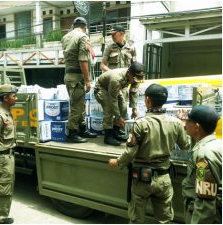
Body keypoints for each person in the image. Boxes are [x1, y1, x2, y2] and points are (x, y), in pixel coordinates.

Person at [108, 84, 191, 223]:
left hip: (142, 179)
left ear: (147, 100)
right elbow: (185, 146)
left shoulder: (140, 123)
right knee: (164, 220)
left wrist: (117, 162)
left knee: (136, 219)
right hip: (164, 178)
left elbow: (130, 153)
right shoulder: (176, 123)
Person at [182, 105, 222, 224]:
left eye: (188, 121)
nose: (185, 124)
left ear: (197, 127)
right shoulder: (217, 144)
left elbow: (206, 201)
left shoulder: (203, 154)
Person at [61, 17, 97, 143]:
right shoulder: (83, 37)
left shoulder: (65, 37)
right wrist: (87, 80)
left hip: (69, 76)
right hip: (77, 77)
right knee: (77, 106)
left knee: (80, 104)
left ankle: (82, 129)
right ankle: (72, 133)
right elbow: (83, 60)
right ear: (85, 27)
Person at [94, 62, 145, 146]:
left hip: (114, 89)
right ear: (129, 73)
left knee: (123, 106)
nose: (135, 81)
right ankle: (108, 136)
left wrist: (134, 109)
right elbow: (112, 100)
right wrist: (118, 117)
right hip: (101, 88)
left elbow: (134, 92)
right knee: (109, 108)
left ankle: (116, 132)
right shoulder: (116, 79)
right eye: (134, 78)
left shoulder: (136, 77)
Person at [0, 84, 18, 224]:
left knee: (6, 188)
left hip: (9, 156)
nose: (16, 99)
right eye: (14, 96)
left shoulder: (7, 112)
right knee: (4, 189)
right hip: (2, 158)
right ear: (5, 98)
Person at [100, 25, 138, 137]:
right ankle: (108, 133)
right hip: (112, 83)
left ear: (121, 33)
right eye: (111, 34)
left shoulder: (131, 48)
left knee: (122, 109)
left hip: (124, 84)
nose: (112, 36)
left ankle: (117, 132)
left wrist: (134, 107)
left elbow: (135, 68)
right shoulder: (109, 47)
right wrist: (113, 74)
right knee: (110, 108)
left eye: (114, 34)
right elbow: (102, 65)